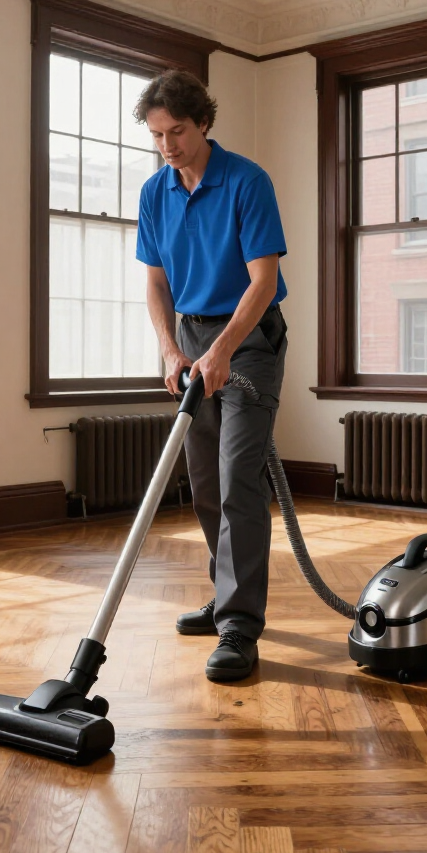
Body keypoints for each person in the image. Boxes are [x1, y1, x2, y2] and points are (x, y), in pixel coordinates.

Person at [133, 69, 288, 682]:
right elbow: (154, 280)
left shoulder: (247, 181)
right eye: (156, 135)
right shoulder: (154, 192)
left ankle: (240, 627)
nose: (167, 145)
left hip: (248, 336)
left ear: (203, 123)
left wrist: (223, 349)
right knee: (203, 482)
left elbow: (264, 280)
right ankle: (227, 597)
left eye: (176, 131)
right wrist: (171, 349)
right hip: (192, 337)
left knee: (237, 477)